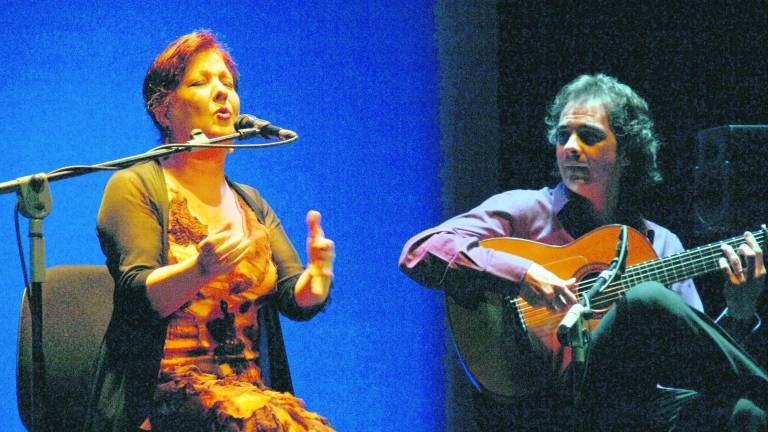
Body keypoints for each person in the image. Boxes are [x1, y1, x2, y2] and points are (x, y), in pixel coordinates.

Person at [399, 73, 767, 431]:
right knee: (645, 298)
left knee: (746, 413)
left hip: (632, 410)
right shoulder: (528, 211)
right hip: (543, 403)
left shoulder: (662, 243)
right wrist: (523, 276)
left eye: (589, 136)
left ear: (625, 153)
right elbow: (419, 251)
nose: (571, 147)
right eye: (563, 136)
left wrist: (740, 311)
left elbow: (697, 363)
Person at [84, 31, 335, 432]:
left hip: (251, 397)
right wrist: (199, 270)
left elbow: (292, 297)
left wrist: (317, 281)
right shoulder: (135, 186)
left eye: (228, 84)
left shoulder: (250, 202)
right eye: (201, 83)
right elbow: (137, 294)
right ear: (164, 109)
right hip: (165, 394)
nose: (222, 92)